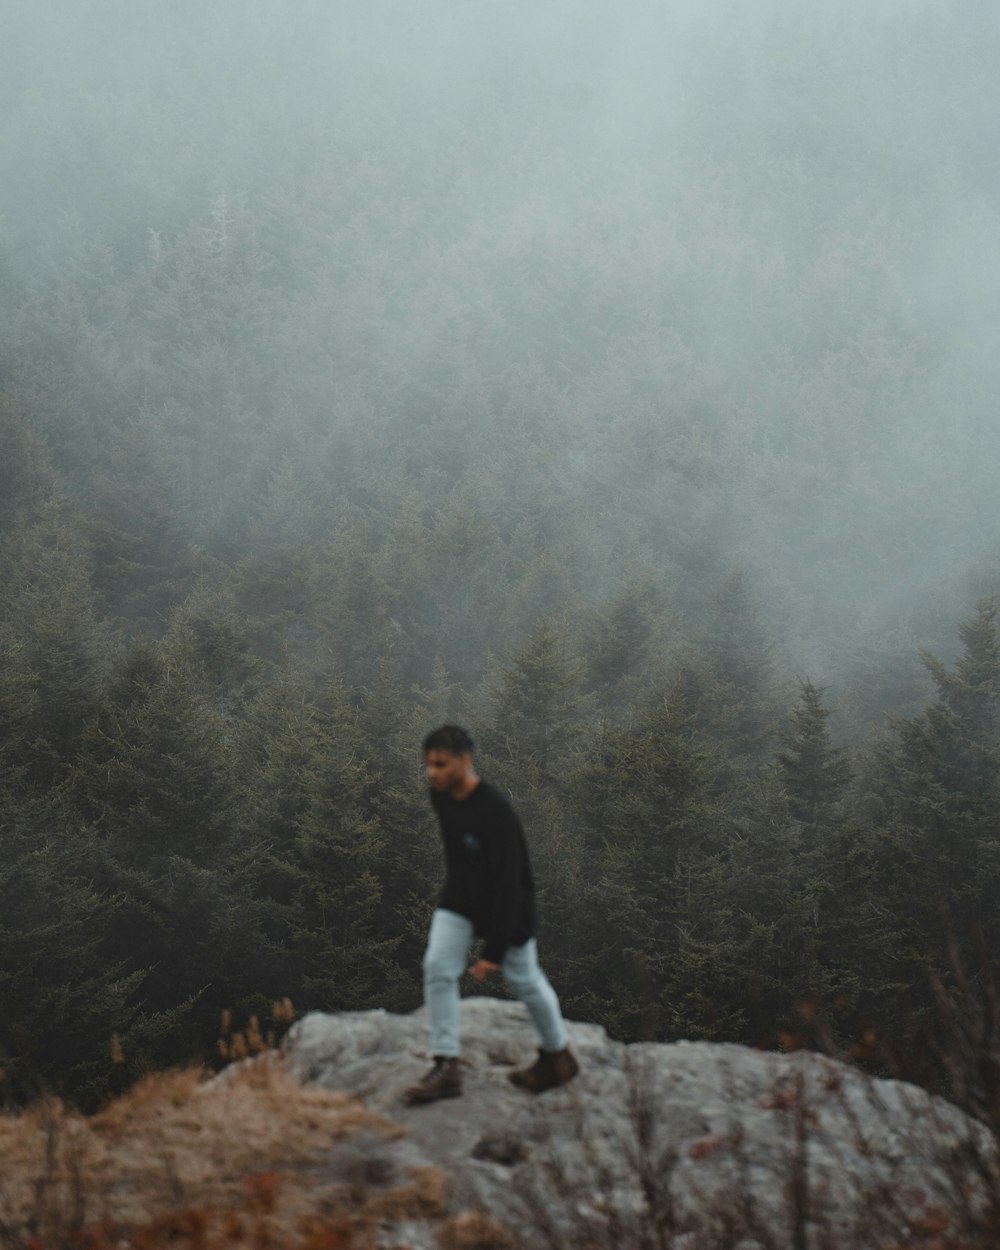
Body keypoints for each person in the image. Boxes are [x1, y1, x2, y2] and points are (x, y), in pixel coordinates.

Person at [404, 724, 579, 1104]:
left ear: (466, 761)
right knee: (437, 966)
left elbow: (509, 884)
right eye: (427, 765)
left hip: (509, 907)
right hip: (462, 900)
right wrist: (455, 899)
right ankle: (446, 1063)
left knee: (525, 980)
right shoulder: (442, 797)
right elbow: (463, 858)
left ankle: (558, 1054)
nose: (432, 773)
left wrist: (493, 951)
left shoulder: (495, 811)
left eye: (441, 764)